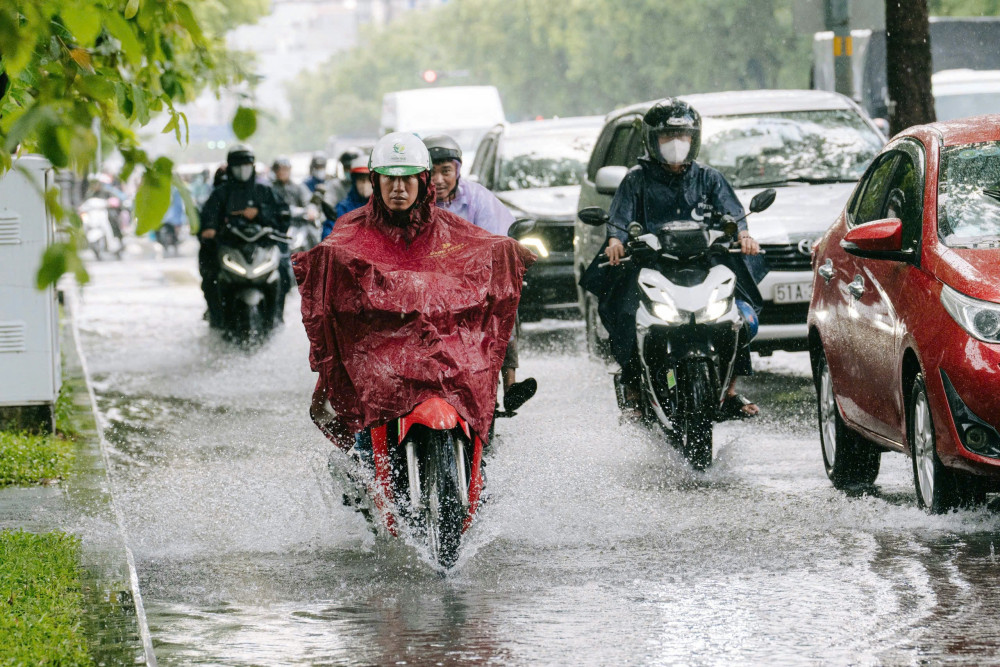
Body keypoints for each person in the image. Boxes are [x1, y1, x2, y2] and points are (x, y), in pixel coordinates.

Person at [295, 132, 534, 455]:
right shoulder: (351, 229)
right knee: (363, 437)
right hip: (380, 354)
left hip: (443, 346)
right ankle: (366, 459)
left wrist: (512, 253)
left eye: (407, 179)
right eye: (389, 180)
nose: (398, 189)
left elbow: (483, 244)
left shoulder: (450, 226)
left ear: (423, 181)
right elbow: (331, 269)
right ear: (376, 182)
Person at [582, 99, 766, 419]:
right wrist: (615, 242)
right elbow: (619, 221)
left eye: (683, 136)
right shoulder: (635, 179)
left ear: (695, 139)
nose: (676, 144)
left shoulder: (709, 178)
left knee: (740, 314)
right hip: (650, 265)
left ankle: (731, 389)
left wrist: (743, 236)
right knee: (625, 313)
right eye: (668, 136)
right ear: (652, 140)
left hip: (702, 263)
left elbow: (733, 216)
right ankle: (635, 386)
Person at [424, 134, 537, 413]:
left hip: (476, 284)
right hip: (427, 288)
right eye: (432, 172)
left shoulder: (478, 198)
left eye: (446, 171)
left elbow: (498, 240)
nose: (438, 179)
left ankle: (509, 383)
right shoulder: (412, 202)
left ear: (458, 170)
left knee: (506, 304)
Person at [199, 144, 289, 327]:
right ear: (230, 167)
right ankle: (217, 320)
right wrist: (209, 230)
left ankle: (277, 317)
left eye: (246, 164)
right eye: (238, 165)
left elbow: (283, 217)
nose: (242, 170)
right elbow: (208, 219)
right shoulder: (220, 195)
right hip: (230, 250)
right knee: (210, 277)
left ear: (253, 166)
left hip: (261, 251)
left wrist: (259, 214)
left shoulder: (265, 191)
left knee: (285, 272)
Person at [270, 156, 313, 304]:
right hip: (277, 229)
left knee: (314, 237)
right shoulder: (270, 189)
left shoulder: (298, 188)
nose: (283, 172)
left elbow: (309, 203)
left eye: (285, 169)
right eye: (280, 170)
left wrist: (311, 211)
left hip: (298, 226)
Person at [322, 154, 372, 239]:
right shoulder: (343, 208)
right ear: (354, 182)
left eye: (369, 180)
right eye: (361, 180)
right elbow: (328, 236)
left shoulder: (385, 208)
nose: (365, 184)